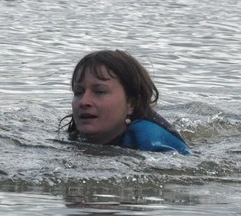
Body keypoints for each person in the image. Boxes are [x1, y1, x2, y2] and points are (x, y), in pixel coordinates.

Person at [63, 49, 191, 155]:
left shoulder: (151, 141)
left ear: (131, 103)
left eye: (99, 91)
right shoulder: (75, 133)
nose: (84, 102)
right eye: (78, 92)